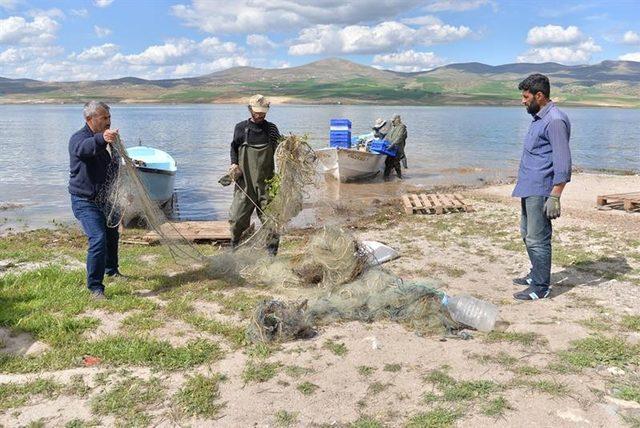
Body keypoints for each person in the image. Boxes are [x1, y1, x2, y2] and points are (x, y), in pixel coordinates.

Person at [512, 74, 571, 301]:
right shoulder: (539, 118)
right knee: (527, 234)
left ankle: (541, 287)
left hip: (541, 189)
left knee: (538, 238)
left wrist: (555, 195)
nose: (523, 101)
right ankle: (535, 274)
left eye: (526, 97)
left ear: (539, 95)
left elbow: (563, 161)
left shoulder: (554, 120)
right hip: (529, 185)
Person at [69, 101, 122, 300]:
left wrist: (123, 191)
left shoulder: (109, 142)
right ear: (89, 119)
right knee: (98, 238)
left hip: (106, 199)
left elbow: (112, 171)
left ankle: (112, 270)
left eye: (109, 117)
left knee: (112, 235)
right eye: (104, 118)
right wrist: (102, 139)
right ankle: (95, 288)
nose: (108, 122)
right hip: (85, 200)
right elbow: (84, 149)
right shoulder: (78, 138)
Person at [228, 94, 281, 255]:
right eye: (256, 112)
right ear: (250, 109)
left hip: (267, 183)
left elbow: (280, 151)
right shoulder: (240, 128)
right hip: (245, 182)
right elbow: (234, 147)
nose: (259, 116)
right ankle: (235, 248)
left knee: (272, 220)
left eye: (263, 113)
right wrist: (234, 164)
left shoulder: (271, 129)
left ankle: (271, 254)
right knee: (237, 218)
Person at [384, 114, 407, 179]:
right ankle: (386, 178)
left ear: (397, 120)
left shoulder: (402, 127)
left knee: (396, 163)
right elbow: (388, 136)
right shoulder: (393, 127)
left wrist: (391, 145)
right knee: (387, 162)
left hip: (397, 148)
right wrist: (384, 142)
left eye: (393, 121)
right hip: (390, 148)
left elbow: (399, 138)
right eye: (392, 121)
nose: (392, 122)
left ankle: (399, 177)